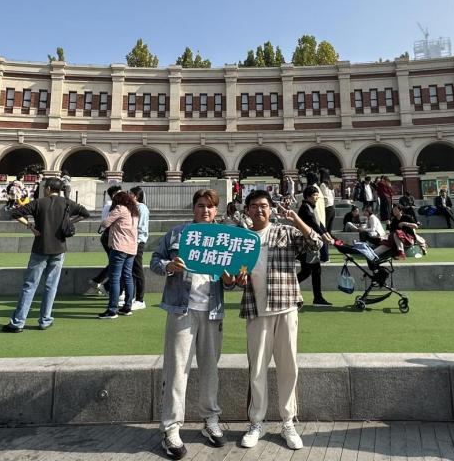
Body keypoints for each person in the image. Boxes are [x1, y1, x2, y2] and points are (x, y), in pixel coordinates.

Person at [150, 189, 236, 458]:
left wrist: (231, 279)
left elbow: (231, 280)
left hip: (212, 311)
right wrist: (170, 266)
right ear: (193, 208)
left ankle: (210, 419)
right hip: (181, 309)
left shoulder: (225, 238)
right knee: (177, 369)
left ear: (216, 210)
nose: (205, 211)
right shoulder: (177, 234)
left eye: (210, 206)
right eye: (200, 205)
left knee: (210, 368)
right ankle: (171, 428)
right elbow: (155, 261)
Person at [236, 189, 324, 451]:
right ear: (247, 210)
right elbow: (234, 277)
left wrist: (296, 219)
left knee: (289, 367)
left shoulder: (284, 231)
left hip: (285, 306)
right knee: (257, 369)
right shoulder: (242, 239)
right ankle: (256, 423)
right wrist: (238, 279)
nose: (259, 210)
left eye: (263, 205)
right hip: (256, 310)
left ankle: (288, 422)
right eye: (254, 206)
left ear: (271, 208)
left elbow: (316, 243)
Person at [3, 177, 90, 332]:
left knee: (29, 285)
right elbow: (85, 213)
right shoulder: (67, 203)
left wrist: (30, 226)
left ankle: (18, 322)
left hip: (40, 247)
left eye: (44, 187)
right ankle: (45, 320)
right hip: (59, 248)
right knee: (51, 286)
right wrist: (70, 222)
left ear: (48, 188)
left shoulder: (39, 203)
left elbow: (15, 213)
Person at [98, 190, 139, 319]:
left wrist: (109, 216)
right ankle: (127, 306)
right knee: (128, 276)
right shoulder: (134, 212)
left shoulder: (120, 208)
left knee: (114, 278)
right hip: (132, 248)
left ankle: (112, 309)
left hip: (119, 246)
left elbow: (105, 223)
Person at [296, 185, 334, 307]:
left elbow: (320, 224)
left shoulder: (311, 207)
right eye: (315, 195)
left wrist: (328, 235)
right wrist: (324, 236)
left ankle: (317, 297)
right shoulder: (305, 208)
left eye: (317, 195)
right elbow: (313, 224)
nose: (317, 197)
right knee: (311, 271)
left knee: (309, 271)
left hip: (310, 245)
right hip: (306, 245)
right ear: (308, 196)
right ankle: (317, 298)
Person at [89, 185, 122, 294]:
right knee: (116, 263)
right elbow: (108, 222)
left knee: (115, 262)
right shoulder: (112, 206)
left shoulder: (111, 206)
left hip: (109, 236)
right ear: (114, 195)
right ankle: (104, 285)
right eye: (120, 193)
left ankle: (99, 282)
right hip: (110, 237)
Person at [130, 185, 149, 311]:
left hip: (138, 241)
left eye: (130, 193)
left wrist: (136, 241)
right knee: (132, 269)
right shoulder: (133, 207)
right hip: (132, 241)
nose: (128, 195)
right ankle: (132, 297)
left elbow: (141, 227)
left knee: (137, 269)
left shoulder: (142, 208)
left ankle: (140, 299)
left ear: (136, 196)